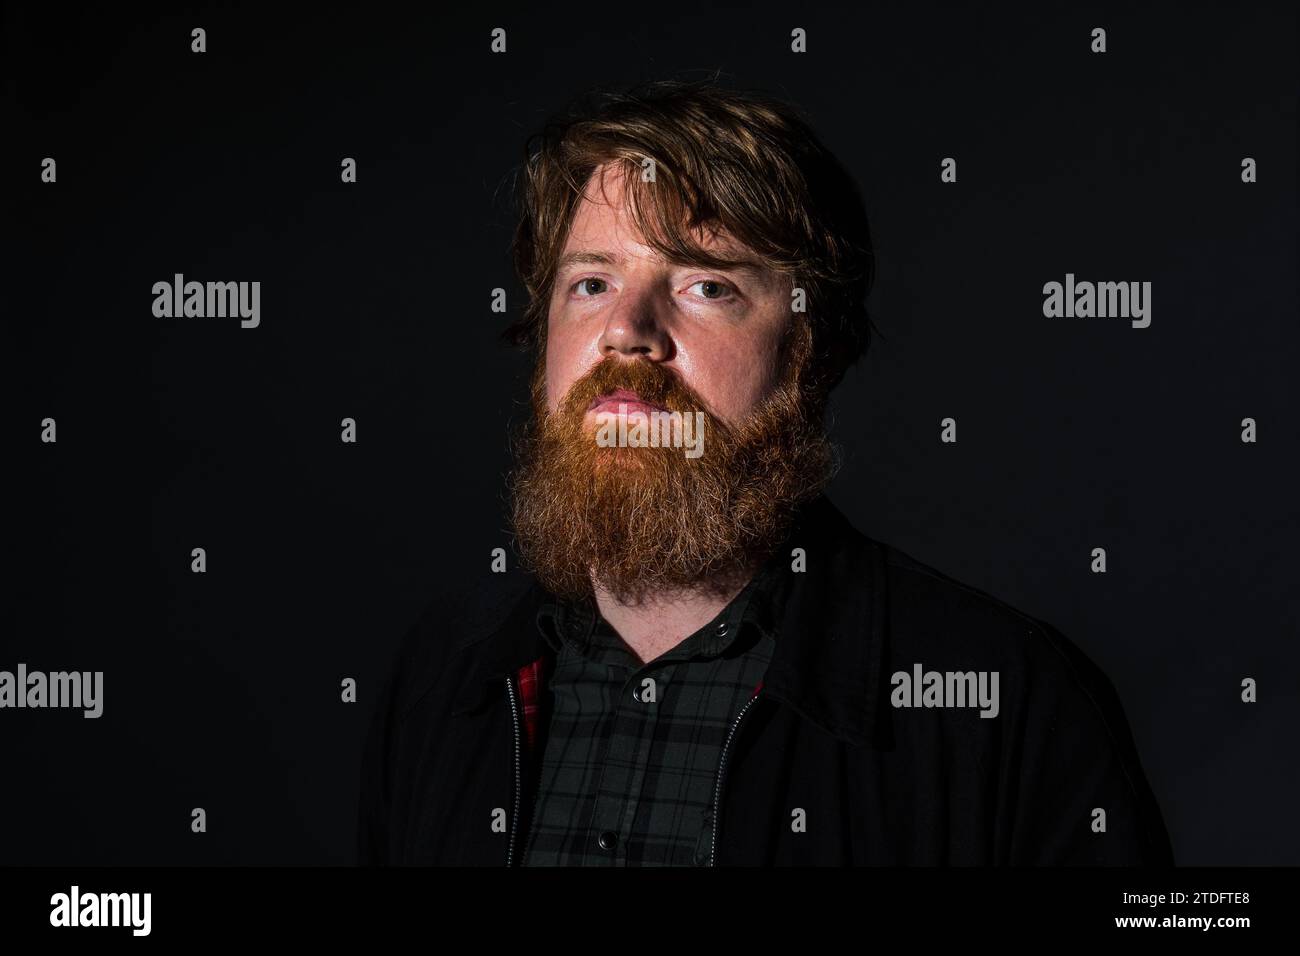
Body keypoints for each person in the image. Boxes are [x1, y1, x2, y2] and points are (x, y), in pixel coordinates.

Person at [357, 78, 1174, 866]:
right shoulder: (443, 680)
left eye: (706, 285)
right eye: (592, 283)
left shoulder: (1005, 701)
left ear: (808, 352)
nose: (626, 333)